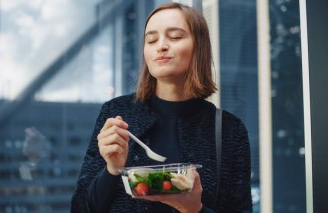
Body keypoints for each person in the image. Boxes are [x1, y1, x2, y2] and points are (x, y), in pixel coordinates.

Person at [71, 2, 252, 213]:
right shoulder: (116, 113)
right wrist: (112, 169)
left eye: (175, 37)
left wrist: (195, 210)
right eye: (151, 40)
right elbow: (80, 208)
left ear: (199, 47)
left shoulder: (229, 130)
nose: (161, 46)